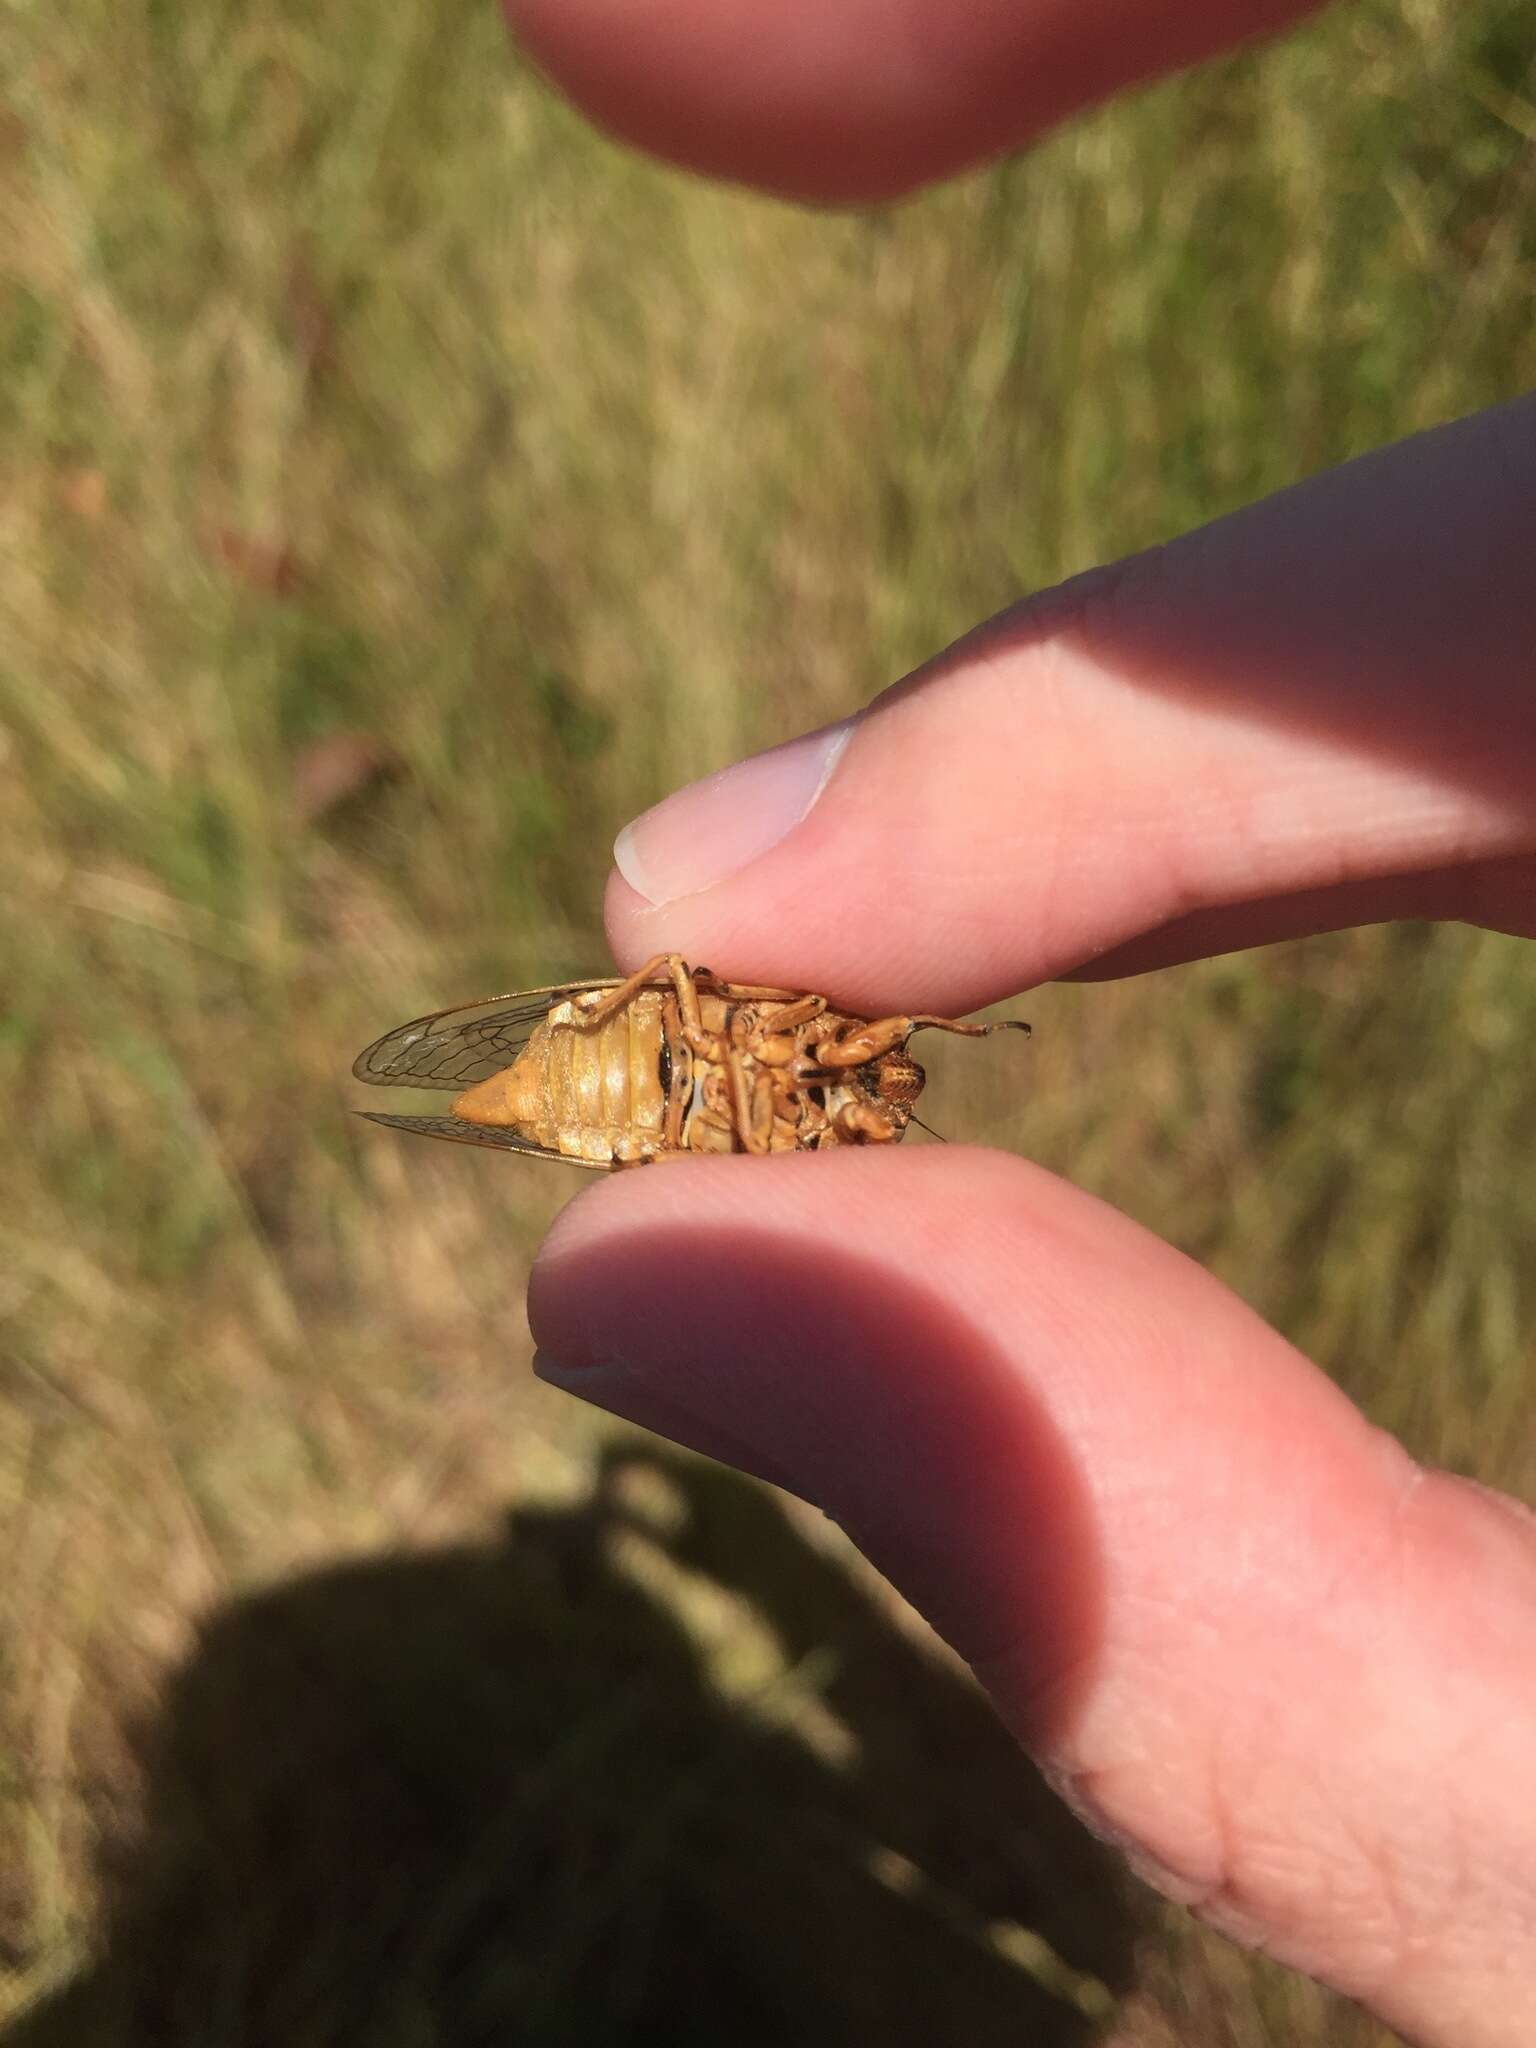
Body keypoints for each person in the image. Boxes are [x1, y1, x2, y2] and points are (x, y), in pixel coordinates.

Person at [503, 3, 1536, 2038]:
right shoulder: (782, 1050)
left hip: (642, 1076)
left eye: (873, 1077)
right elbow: (732, 1045)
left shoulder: (816, 1079)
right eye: (872, 1071)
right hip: (617, 1063)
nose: (875, 1071)